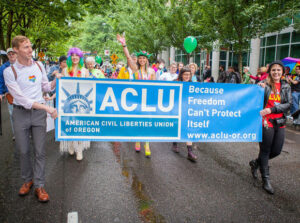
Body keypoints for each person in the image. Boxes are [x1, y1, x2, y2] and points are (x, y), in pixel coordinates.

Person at [3, 35, 58, 202]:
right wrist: (46, 107)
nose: (30, 49)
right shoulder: (9, 71)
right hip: (21, 113)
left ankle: (39, 186)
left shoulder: (39, 66)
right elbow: (21, 99)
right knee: (24, 150)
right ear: (16, 50)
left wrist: (56, 79)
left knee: (40, 151)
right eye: (25, 47)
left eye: (30, 46)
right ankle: (27, 181)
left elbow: (45, 87)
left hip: (38, 115)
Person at [249, 61, 291, 195]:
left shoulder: (286, 86)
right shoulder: (264, 85)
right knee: (265, 150)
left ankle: (256, 163)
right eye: (273, 70)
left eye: (279, 70)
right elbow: (253, 97)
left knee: (277, 151)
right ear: (270, 72)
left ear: (282, 72)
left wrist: (272, 109)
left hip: (280, 121)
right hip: (266, 122)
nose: (276, 72)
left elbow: (288, 104)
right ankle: (266, 180)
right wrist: (258, 87)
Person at [117, 33, 156, 157]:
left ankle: (147, 144)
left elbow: (155, 87)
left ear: (147, 60)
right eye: (140, 58)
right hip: (137, 100)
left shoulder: (151, 72)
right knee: (138, 121)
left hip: (148, 100)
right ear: (138, 60)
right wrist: (124, 45)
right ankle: (138, 140)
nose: (142, 60)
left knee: (148, 122)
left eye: (144, 58)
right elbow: (128, 57)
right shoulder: (135, 70)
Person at [59, 47, 90, 161]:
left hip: (81, 103)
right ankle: (71, 144)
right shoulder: (65, 70)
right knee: (70, 124)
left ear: (80, 57)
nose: (75, 57)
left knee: (80, 126)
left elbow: (89, 87)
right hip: (68, 103)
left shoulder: (85, 71)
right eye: (72, 55)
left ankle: (80, 149)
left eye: (77, 55)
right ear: (70, 57)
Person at [172, 67, 197, 162]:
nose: (187, 76)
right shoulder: (175, 82)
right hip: (177, 109)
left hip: (188, 109)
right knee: (177, 127)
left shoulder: (192, 85)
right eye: (185, 74)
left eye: (188, 75)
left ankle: (190, 152)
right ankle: (174, 143)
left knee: (188, 129)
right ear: (181, 75)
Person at [0, 48, 17, 140]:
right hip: (10, 94)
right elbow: (1, 81)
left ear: (16, 54)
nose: (11, 55)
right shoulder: (3, 67)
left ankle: (24, 132)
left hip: (22, 93)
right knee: (12, 114)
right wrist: (0, 93)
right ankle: (16, 133)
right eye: (9, 54)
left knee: (24, 113)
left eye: (13, 53)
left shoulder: (22, 65)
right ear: (7, 55)